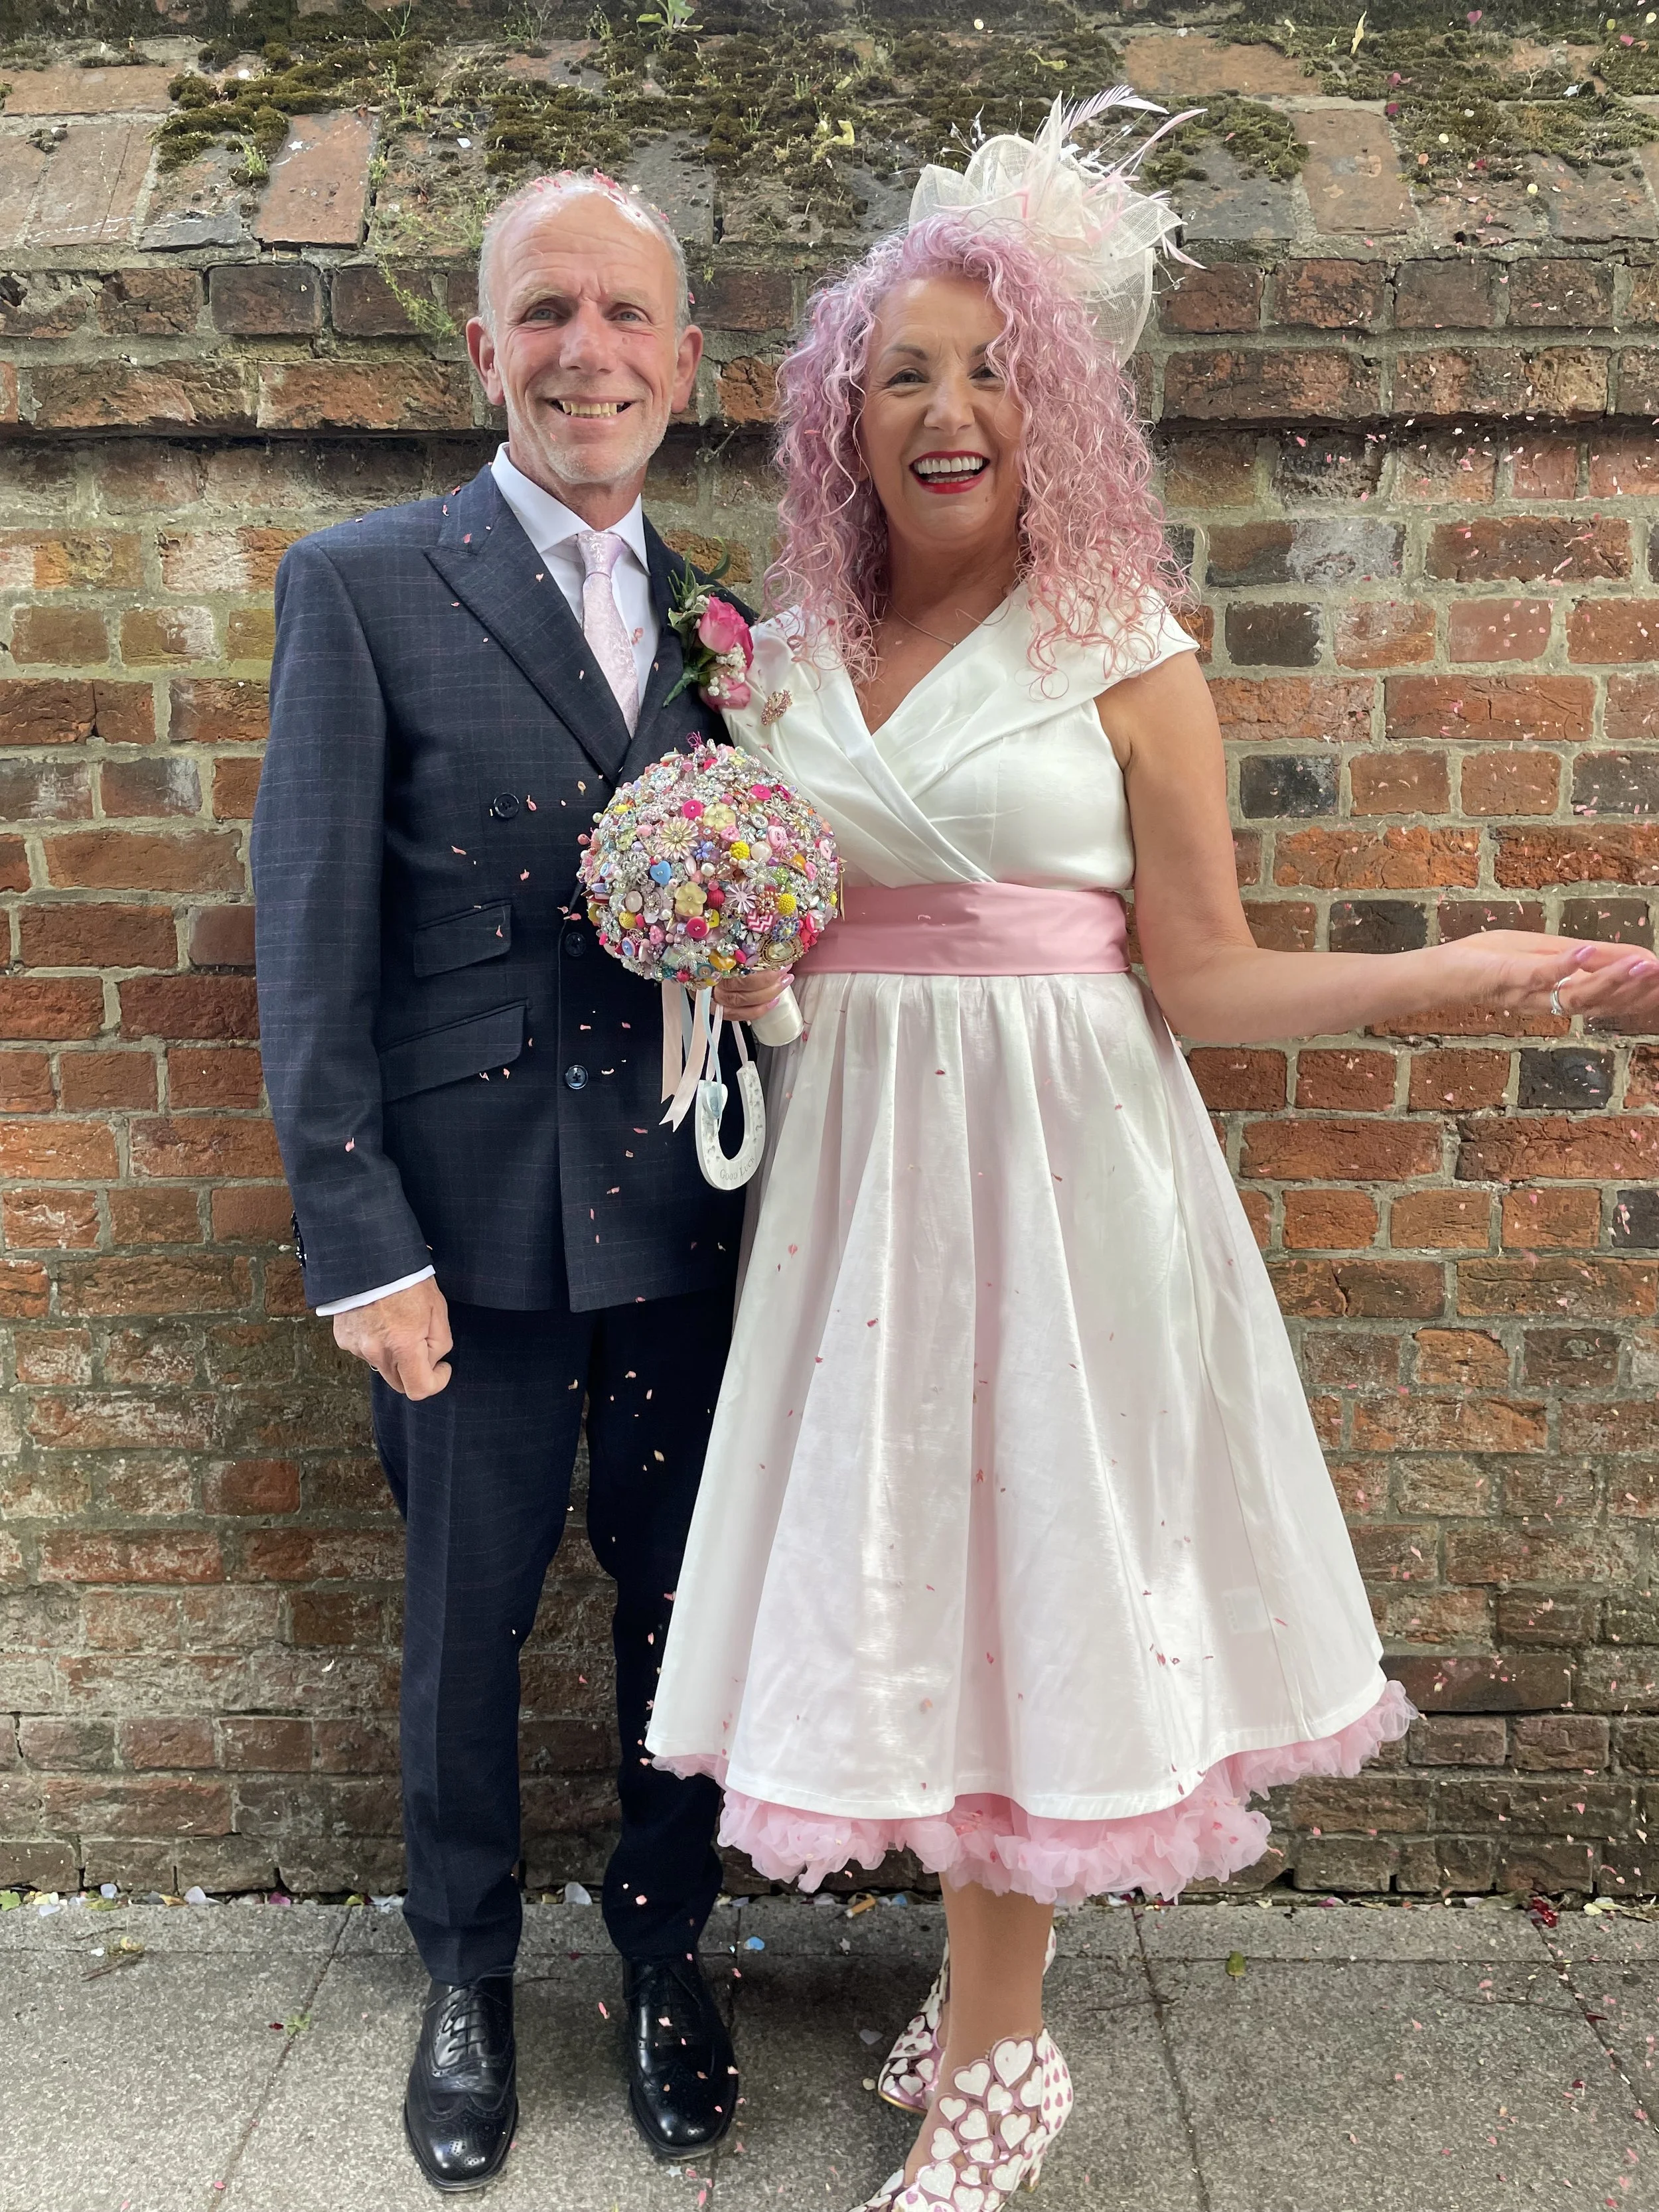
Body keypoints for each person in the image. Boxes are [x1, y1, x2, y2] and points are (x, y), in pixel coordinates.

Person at [643, 98, 1659, 2211]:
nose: (946, 409)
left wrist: (1448, 970)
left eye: (990, 368)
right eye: (900, 370)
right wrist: (714, 948)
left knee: (1032, 1576)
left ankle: (1001, 2059)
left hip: (1063, 1174)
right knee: (908, 1566)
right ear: (842, 412)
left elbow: (1198, 978)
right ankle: (972, 1999)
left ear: (1057, 404)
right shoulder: (787, 662)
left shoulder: (1127, 647)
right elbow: (789, 942)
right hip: (859, 1195)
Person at [252, 171, 749, 2192]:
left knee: (678, 1613)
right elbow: (305, 935)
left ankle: (661, 1947)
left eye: (626, 318)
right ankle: (461, 1969)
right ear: (483, 346)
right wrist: (356, 1234)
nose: (587, 354)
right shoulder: (365, 579)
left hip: (694, 1224)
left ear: (684, 359)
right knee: (462, 1627)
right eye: (546, 313)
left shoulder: (729, 622)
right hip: (460, 1238)